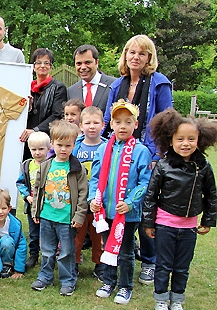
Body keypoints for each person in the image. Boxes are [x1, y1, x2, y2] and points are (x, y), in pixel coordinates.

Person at [102, 34, 173, 286]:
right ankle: (121, 253)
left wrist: (157, 155)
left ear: (149, 58)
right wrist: (104, 149)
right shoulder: (116, 85)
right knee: (118, 203)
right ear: (125, 56)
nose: (136, 57)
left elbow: (167, 122)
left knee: (144, 208)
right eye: (131, 52)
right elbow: (108, 124)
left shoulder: (159, 83)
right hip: (118, 152)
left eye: (142, 53)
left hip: (147, 153)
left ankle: (150, 261)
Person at [143, 109, 217, 310]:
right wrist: (149, 223)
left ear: (199, 140)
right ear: (170, 140)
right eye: (180, 139)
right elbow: (151, 196)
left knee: (182, 268)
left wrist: (208, 220)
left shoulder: (203, 166)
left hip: (189, 228)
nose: (186, 143)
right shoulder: (163, 165)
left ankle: (176, 300)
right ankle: (160, 299)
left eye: (191, 139)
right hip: (165, 226)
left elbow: (212, 194)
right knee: (163, 266)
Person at [89, 100, 152, 305]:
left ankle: (125, 287)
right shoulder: (104, 148)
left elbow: (145, 181)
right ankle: (109, 281)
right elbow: (96, 177)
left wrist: (130, 202)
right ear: (112, 124)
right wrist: (93, 199)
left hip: (127, 213)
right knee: (108, 246)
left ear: (136, 124)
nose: (122, 126)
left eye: (128, 122)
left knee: (125, 251)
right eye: (118, 122)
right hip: (105, 210)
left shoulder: (141, 151)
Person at [30, 119, 88, 296]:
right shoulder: (46, 165)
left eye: (68, 145)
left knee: (66, 251)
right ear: (52, 144)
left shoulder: (77, 169)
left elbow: (83, 195)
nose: (63, 149)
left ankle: (68, 280)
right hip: (47, 216)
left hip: (66, 220)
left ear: (74, 145)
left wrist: (79, 217)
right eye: (59, 145)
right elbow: (37, 189)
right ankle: (45, 276)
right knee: (47, 250)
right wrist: (36, 210)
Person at [72, 106, 107, 281]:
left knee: (98, 235)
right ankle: (75, 263)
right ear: (80, 126)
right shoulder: (75, 147)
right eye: (88, 123)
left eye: (96, 123)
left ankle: (100, 265)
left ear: (103, 124)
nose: (92, 126)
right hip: (79, 201)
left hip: (100, 202)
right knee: (77, 235)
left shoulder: (108, 147)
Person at [19, 48, 66, 160]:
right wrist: (28, 108)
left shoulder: (58, 87)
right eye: (38, 63)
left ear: (51, 67)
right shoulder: (26, 87)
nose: (42, 66)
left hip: (46, 141)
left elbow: (57, 115)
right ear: (34, 67)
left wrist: (35, 130)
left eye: (46, 63)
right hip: (26, 142)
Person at [16, 131, 51, 269]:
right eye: (34, 149)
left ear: (48, 149)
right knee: (33, 232)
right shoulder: (27, 165)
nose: (37, 153)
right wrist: (26, 196)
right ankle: (33, 255)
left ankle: (48, 256)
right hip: (32, 206)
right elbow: (20, 183)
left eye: (41, 149)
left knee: (47, 232)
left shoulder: (51, 164)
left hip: (47, 207)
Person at [67, 44, 116, 113]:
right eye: (79, 63)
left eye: (87, 62)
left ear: (97, 63)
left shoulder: (113, 85)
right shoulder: (71, 91)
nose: (83, 67)